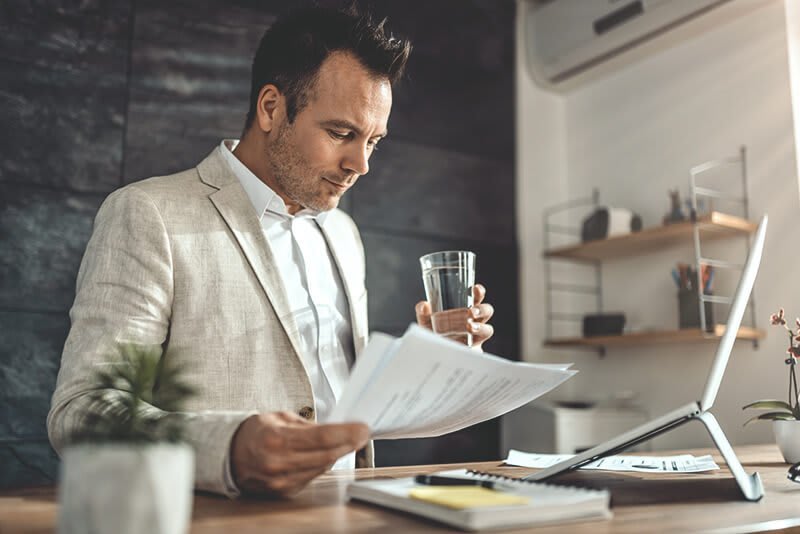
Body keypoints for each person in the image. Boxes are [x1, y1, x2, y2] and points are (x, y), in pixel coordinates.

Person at [47, 5, 495, 498]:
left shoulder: (344, 234)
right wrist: (230, 448)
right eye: (341, 133)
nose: (360, 164)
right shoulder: (147, 213)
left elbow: (339, 405)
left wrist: (434, 360)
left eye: (374, 141)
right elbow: (84, 411)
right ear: (270, 108)